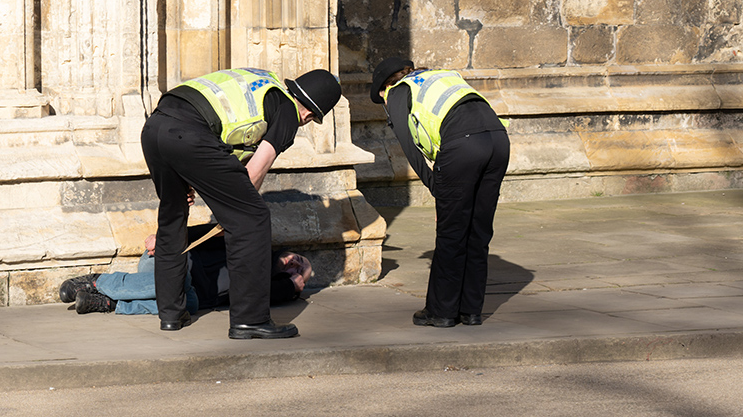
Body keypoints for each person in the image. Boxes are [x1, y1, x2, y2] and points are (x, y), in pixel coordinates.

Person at [140, 67, 340, 338]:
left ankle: (172, 315)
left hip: (155, 127)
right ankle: (250, 320)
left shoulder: (262, 85)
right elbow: (256, 168)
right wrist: (234, 210)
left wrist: (185, 177)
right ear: (310, 114)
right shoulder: (289, 111)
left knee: (172, 218)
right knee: (252, 219)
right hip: (189, 134)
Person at [370, 58, 510, 327]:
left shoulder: (399, 90)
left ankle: (441, 312)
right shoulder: (438, 77)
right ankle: (471, 310)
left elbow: (411, 150)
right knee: (478, 232)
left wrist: (438, 189)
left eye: (381, 98)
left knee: (452, 233)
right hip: (498, 140)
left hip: (464, 146)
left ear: (386, 86)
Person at [58, 224, 313, 319]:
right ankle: (99, 282)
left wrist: (291, 287)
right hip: (171, 263)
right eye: (297, 259)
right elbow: (205, 231)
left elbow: (262, 296)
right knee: (175, 283)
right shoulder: (246, 241)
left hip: (193, 296)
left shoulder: (257, 283)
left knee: (185, 305)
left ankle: (111, 302)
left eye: (300, 269)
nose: (295, 264)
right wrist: (163, 237)